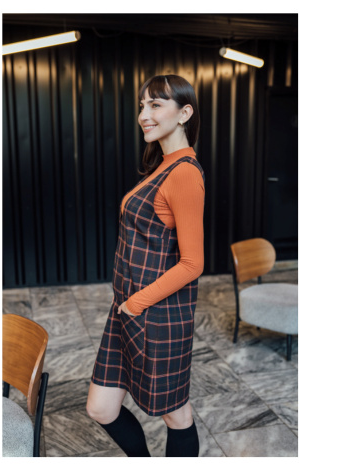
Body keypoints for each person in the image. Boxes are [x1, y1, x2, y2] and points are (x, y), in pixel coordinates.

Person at [86, 74, 205, 457]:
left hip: (157, 316)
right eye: (142, 106)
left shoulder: (184, 172)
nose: (143, 115)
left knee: (176, 415)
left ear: (184, 113)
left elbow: (193, 264)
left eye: (155, 105)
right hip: (128, 310)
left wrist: (135, 304)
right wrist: (127, 306)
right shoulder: (163, 165)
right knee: (101, 408)